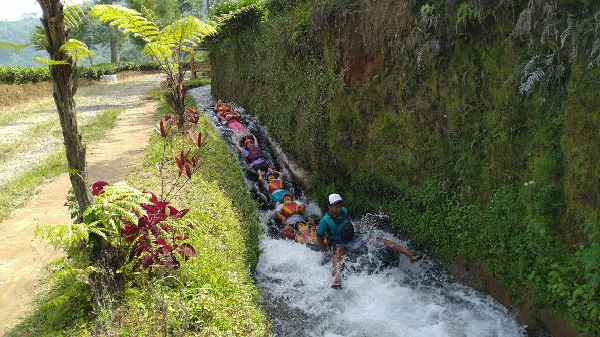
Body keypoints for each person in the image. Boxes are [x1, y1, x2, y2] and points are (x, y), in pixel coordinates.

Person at [316, 193, 422, 289]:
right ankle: (337, 279)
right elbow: (319, 235)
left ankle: (411, 255)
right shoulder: (325, 221)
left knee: (379, 239)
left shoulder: (344, 210)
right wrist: (324, 250)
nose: (339, 208)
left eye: (340, 205)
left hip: (354, 239)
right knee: (339, 250)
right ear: (329, 207)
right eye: (336, 206)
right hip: (340, 243)